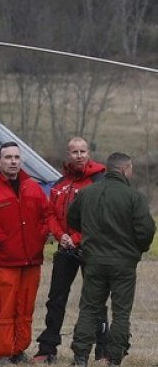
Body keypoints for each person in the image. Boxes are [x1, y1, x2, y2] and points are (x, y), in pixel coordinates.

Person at [68, 152, 155, 367]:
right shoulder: (134, 197)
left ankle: (80, 357)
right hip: (124, 263)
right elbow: (146, 231)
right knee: (121, 312)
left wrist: (90, 237)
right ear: (125, 169)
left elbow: (72, 218)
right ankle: (114, 358)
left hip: (94, 261)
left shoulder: (87, 193)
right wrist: (137, 250)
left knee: (89, 308)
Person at [0, 141, 49, 365]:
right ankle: (3, 353)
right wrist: (1, 240)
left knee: (26, 308)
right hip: (5, 261)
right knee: (5, 308)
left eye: (16, 157)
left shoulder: (33, 188)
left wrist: (40, 236)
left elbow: (46, 215)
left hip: (31, 260)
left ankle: (19, 349)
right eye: (8, 157)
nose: (13, 161)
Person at [33, 137, 108, 364]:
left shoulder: (99, 181)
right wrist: (61, 236)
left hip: (91, 249)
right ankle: (47, 349)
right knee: (56, 299)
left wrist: (75, 238)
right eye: (74, 152)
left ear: (89, 153)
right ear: (68, 154)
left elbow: (100, 218)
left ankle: (103, 351)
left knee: (96, 300)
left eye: (82, 151)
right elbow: (51, 215)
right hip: (65, 248)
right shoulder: (59, 183)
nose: (78, 156)